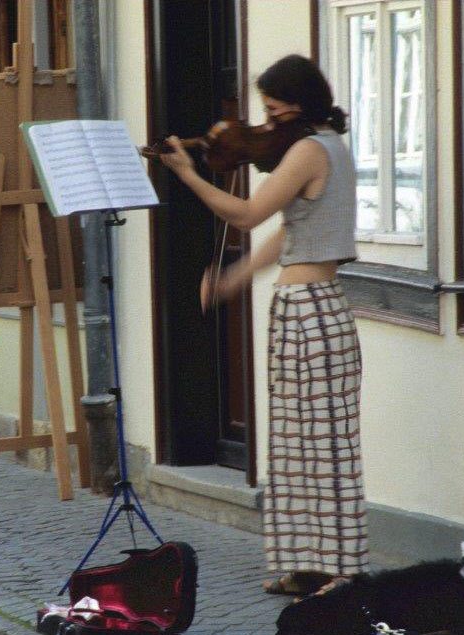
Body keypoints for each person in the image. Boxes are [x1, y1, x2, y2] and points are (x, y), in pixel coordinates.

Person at [159, 55, 368, 596]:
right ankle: (306, 564)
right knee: (294, 442)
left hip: (312, 310)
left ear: (296, 105)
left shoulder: (307, 150)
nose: (267, 122)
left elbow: (249, 215)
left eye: (273, 111)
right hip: (305, 306)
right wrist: (235, 277)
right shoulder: (328, 148)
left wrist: (186, 174)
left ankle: (342, 570)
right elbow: (286, 234)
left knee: (323, 444)